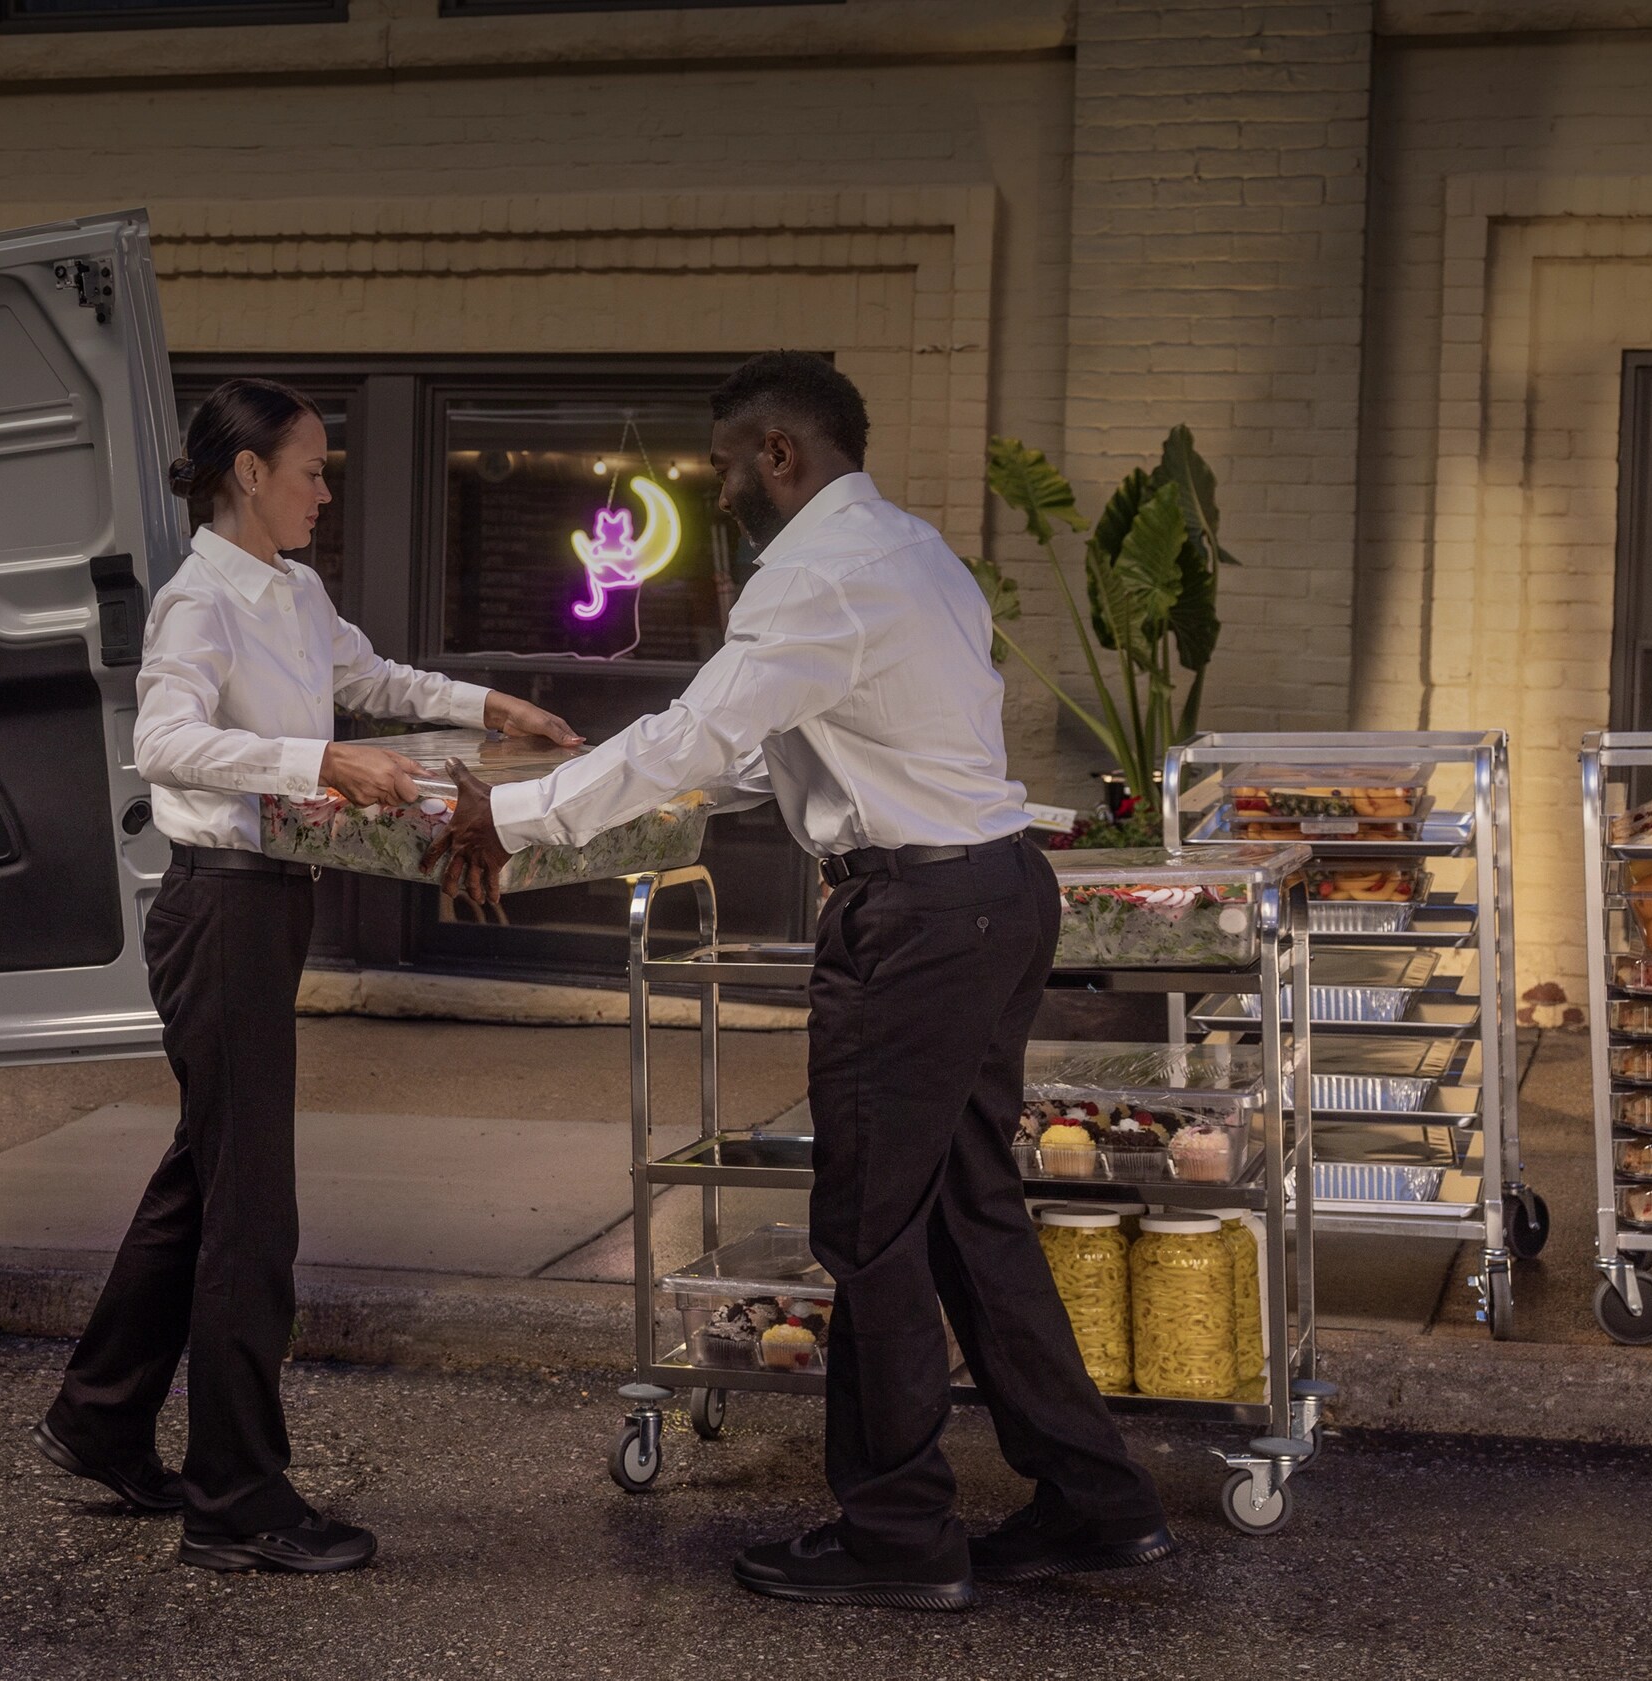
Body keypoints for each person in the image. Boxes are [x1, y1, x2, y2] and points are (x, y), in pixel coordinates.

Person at [427, 353, 1175, 1611]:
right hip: (993, 894)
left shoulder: (817, 577)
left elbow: (699, 731)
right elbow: (771, 744)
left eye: (724, 465)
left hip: (918, 923)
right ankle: (1097, 1503)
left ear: (778, 453)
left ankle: (898, 1534)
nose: (717, 489)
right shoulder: (909, 550)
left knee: (872, 1225)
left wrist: (518, 819)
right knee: (966, 1210)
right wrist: (569, 801)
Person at [32, 377, 578, 1575]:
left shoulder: (293, 585)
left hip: (268, 907)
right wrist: (317, 757)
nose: (325, 489)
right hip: (217, 908)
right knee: (250, 1206)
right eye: (310, 469)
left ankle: (100, 1414)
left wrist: (494, 702)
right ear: (246, 473)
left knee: (205, 1173)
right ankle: (236, 1498)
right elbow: (161, 743)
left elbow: (374, 675)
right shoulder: (196, 602)